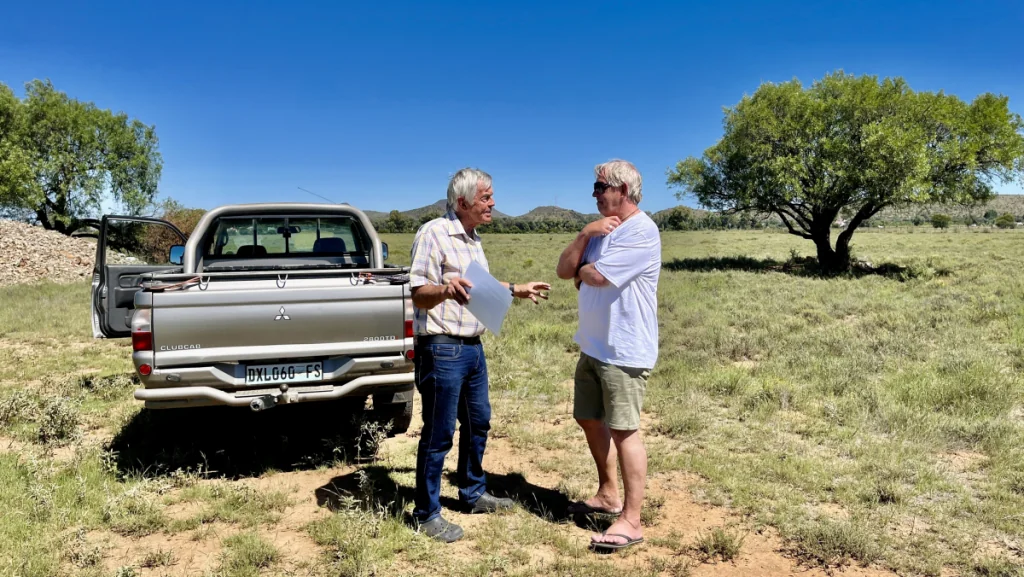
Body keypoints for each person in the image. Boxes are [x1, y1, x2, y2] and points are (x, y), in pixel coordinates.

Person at [410, 167, 551, 543]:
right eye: (486, 197)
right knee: (439, 434)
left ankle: (472, 493)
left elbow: (477, 287)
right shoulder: (433, 234)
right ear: (463, 201)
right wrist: (443, 290)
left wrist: (514, 288)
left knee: (478, 424)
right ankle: (426, 513)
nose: (493, 203)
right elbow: (418, 293)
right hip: (442, 348)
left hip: (472, 348)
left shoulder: (473, 238)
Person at [555, 159, 661, 551]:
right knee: (587, 417)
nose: (595, 193)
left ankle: (631, 520)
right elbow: (566, 270)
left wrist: (585, 269)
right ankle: (607, 493)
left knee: (624, 430)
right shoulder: (599, 231)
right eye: (596, 187)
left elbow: (596, 277)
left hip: (624, 349)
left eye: (601, 186)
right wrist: (585, 236)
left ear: (624, 190)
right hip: (594, 345)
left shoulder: (642, 231)